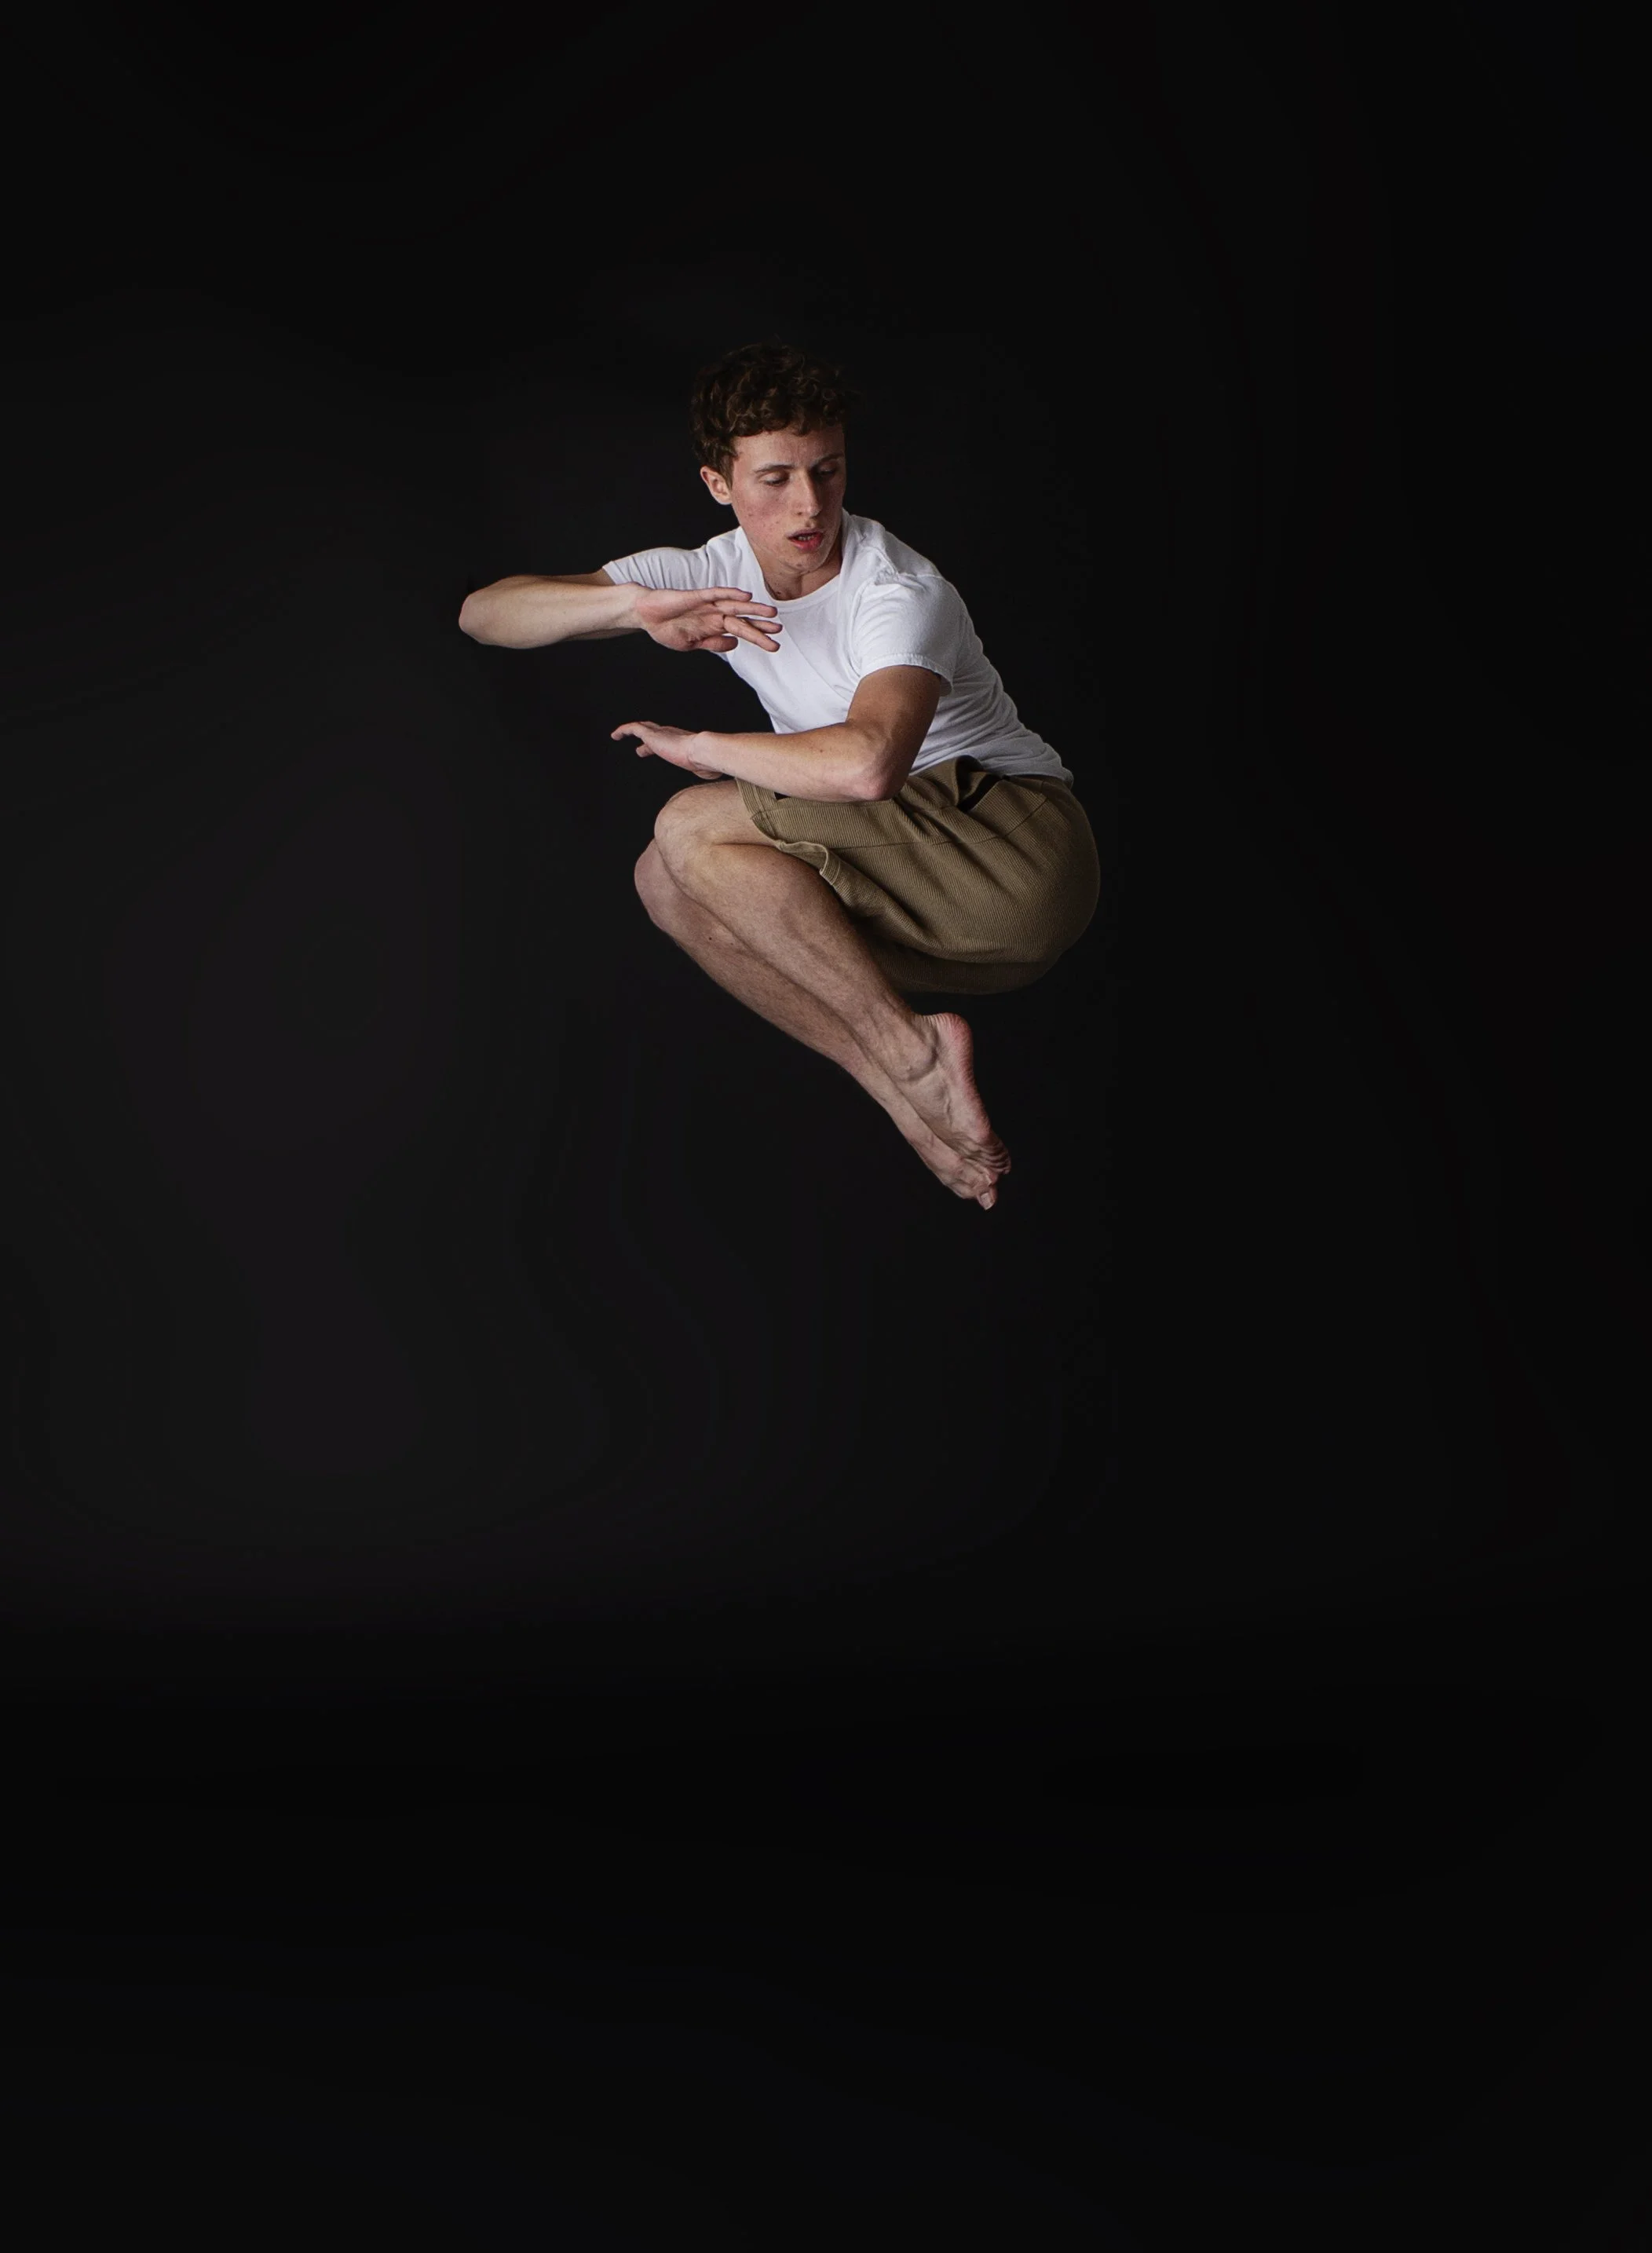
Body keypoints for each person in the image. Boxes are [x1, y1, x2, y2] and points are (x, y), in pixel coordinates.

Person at [458, 342, 1100, 1211]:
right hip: (936, 903)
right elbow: (485, 614)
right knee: (666, 882)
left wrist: (702, 746)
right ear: (718, 483)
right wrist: (631, 608)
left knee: (689, 823)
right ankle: (904, 1092)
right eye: (775, 478)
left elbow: (868, 763)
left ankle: (912, 1053)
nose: (810, 504)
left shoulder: (897, 591)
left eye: (827, 471)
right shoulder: (704, 572)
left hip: (1011, 853)